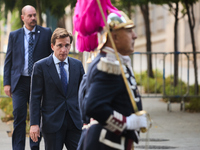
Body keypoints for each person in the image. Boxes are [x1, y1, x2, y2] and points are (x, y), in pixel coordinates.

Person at [79, 11, 148, 150]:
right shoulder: (108, 65)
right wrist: (127, 123)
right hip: (106, 144)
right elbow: (93, 106)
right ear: (114, 36)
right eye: (128, 31)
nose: (134, 35)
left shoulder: (114, 62)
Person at [3, 5, 52, 150]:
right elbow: (8, 61)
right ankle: (18, 148)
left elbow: (50, 58)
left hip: (38, 82)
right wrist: (7, 83)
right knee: (19, 116)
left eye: (34, 15)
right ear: (23, 17)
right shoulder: (14, 35)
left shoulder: (46, 33)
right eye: (30, 16)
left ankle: (34, 147)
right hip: (19, 82)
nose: (33, 18)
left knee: (36, 117)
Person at [29, 27, 85, 150]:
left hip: (75, 122)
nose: (64, 50)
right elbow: (35, 97)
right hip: (52, 123)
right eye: (60, 45)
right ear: (52, 46)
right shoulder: (40, 67)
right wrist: (34, 124)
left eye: (67, 45)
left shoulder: (77, 65)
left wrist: (87, 119)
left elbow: (84, 94)